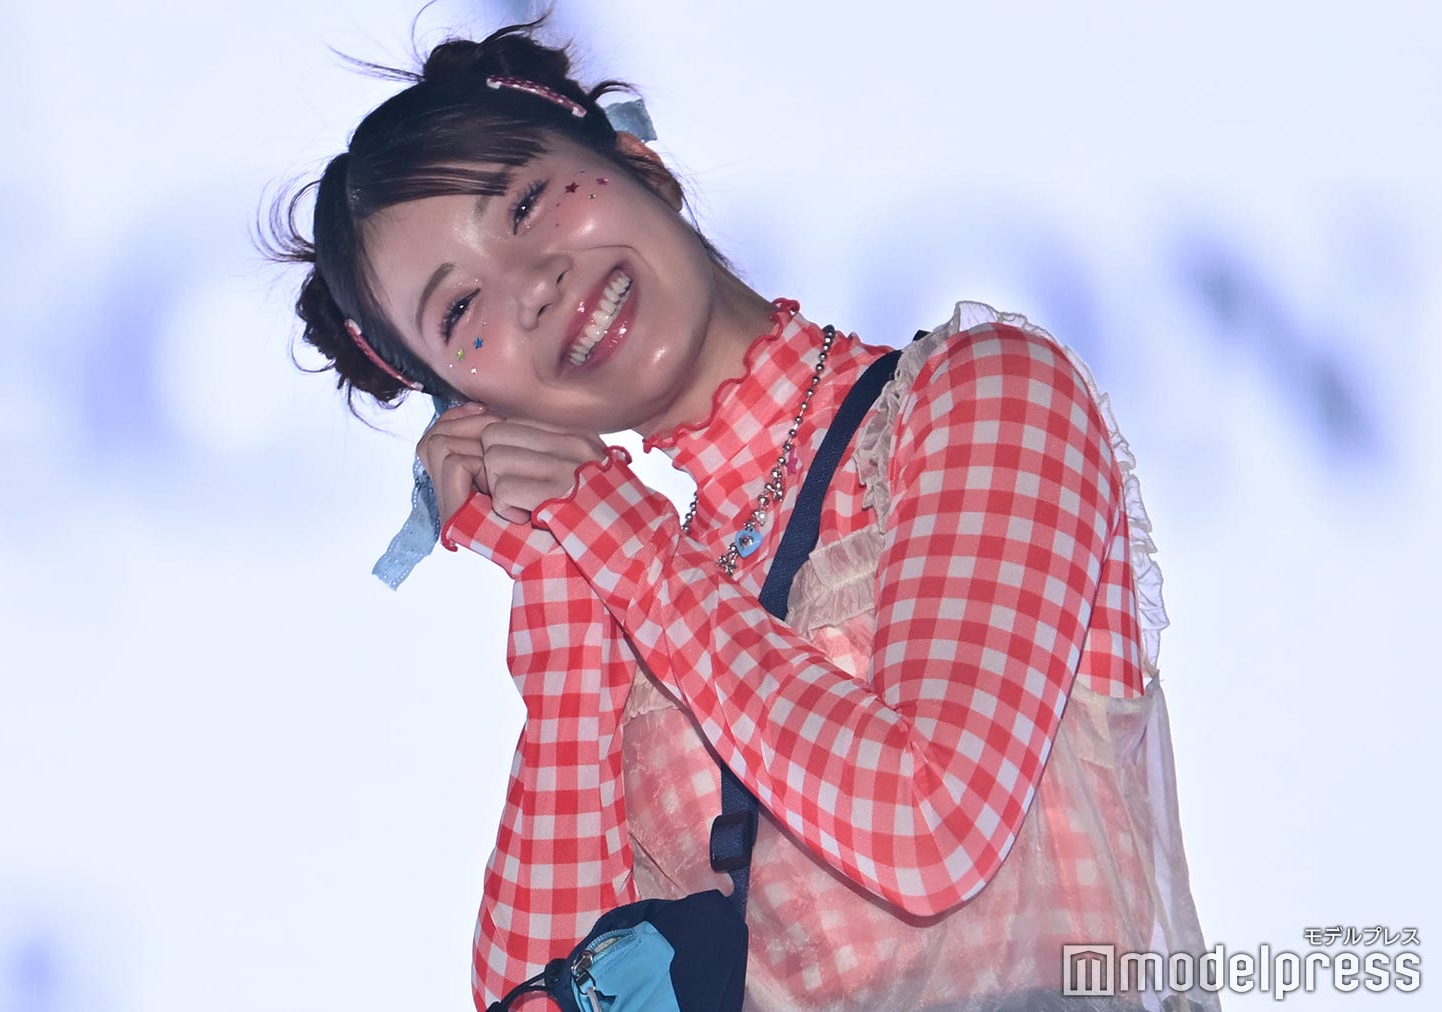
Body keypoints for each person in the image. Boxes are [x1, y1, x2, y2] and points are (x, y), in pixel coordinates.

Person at [269, 20, 1217, 1012]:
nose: (534, 284)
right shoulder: (630, 596)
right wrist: (561, 588)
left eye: (526, 203)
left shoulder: (982, 394)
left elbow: (930, 827)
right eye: (462, 312)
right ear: (472, 404)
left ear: (639, 165)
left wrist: (620, 545)